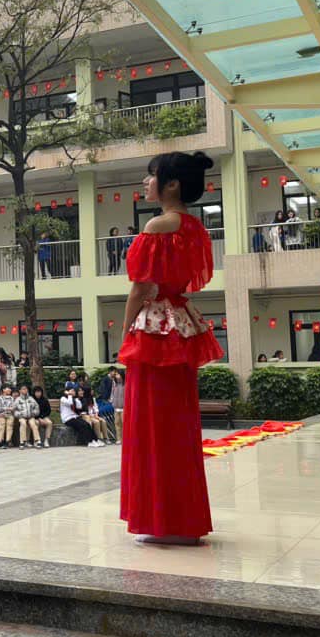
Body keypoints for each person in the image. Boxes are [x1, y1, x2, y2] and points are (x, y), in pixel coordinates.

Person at [119, 151, 223, 545]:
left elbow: (140, 287)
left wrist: (125, 332)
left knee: (151, 423)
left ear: (172, 184)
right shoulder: (194, 228)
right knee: (179, 423)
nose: (146, 183)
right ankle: (182, 518)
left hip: (154, 329)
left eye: (152, 176)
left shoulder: (158, 226)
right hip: (180, 322)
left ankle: (161, 518)